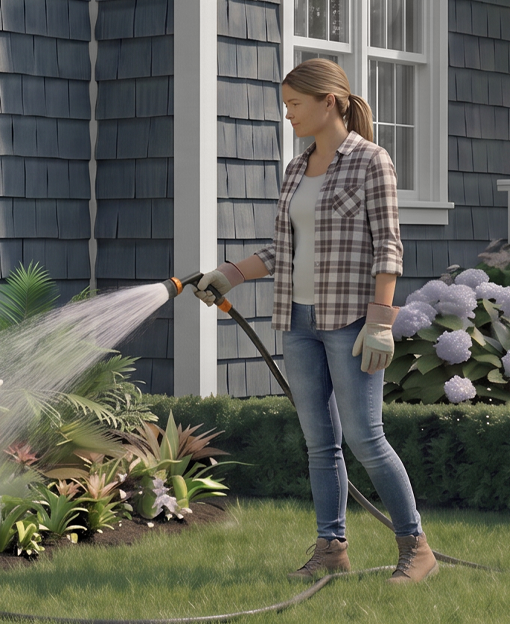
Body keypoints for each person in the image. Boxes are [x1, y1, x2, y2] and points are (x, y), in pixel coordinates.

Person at [183, 58, 435, 584]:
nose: (289, 114)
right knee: (320, 443)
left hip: (350, 321)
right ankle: (331, 548)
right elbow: (280, 251)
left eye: (296, 104)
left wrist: (381, 320)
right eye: (286, 105)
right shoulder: (297, 169)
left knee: (366, 439)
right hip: (297, 321)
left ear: (330, 102)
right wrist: (229, 273)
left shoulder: (371, 162)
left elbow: (388, 248)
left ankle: (415, 547)